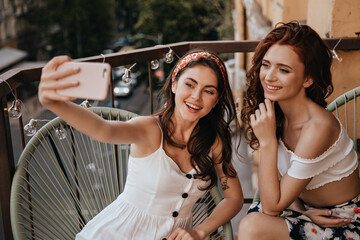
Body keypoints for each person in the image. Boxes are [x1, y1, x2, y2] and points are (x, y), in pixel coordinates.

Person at [38, 50, 244, 240]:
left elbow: (234, 198)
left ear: (216, 100)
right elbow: (104, 130)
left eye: (208, 91)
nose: (196, 97)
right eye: (189, 84)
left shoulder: (213, 142)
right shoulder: (149, 129)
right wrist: (53, 103)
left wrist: (200, 231)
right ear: (174, 84)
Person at [238, 21, 360, 239]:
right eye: (266, 65)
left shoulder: (317, 128)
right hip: (304, 209)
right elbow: (277, 180)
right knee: (253, 222)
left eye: (283, 69)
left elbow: (271, 207)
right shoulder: (276, 113)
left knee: (252, 226)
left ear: (308, 78)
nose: (269, 76)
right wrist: (304, 212)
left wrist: (267, 143)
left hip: (341, 221)